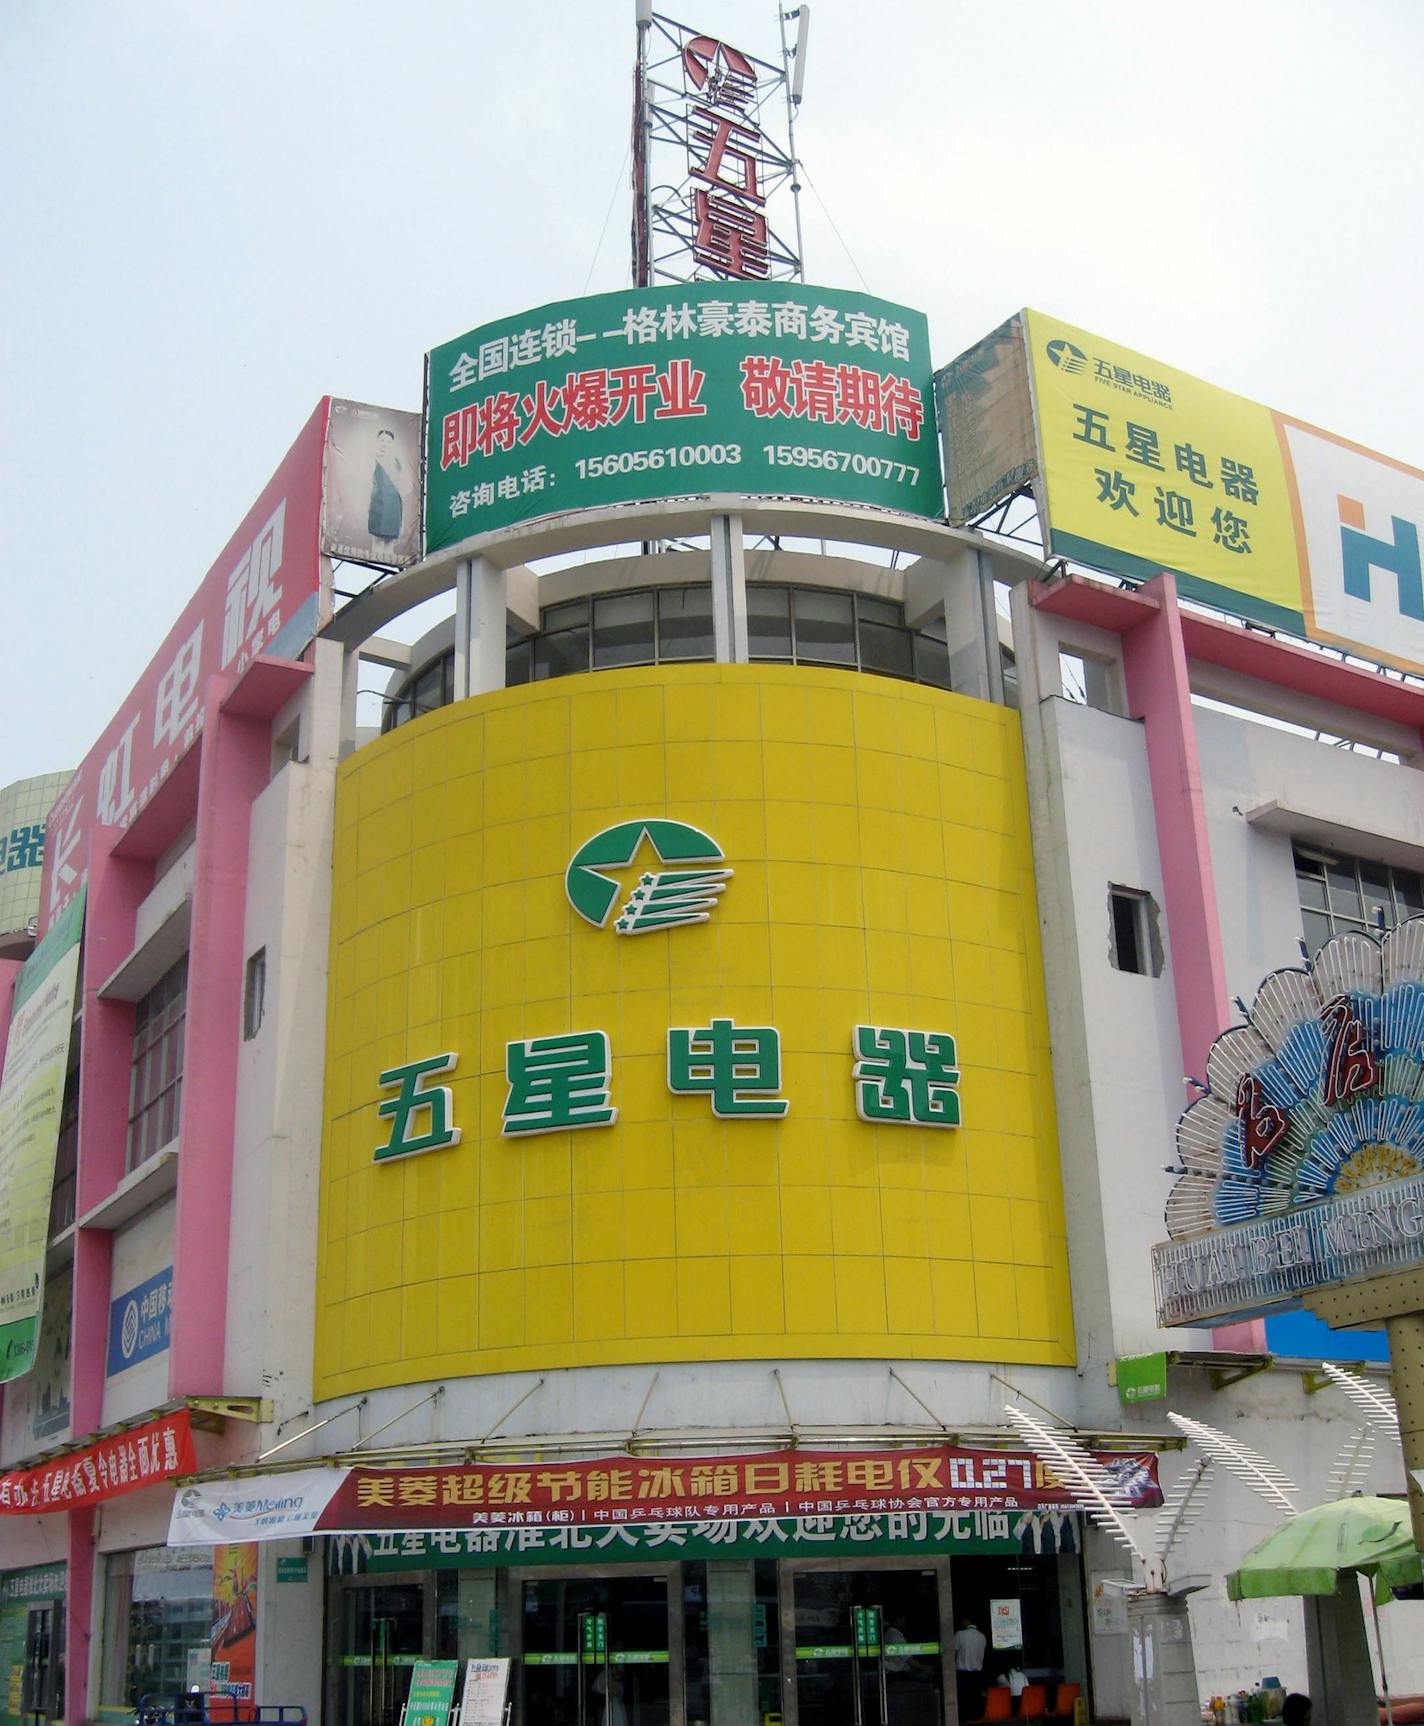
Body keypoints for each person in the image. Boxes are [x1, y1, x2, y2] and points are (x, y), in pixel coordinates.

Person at [367, 428, 408, 550]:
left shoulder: (397, 461)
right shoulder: (373, 459)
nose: (385, 444)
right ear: (377, 442)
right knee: (378, 541)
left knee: (390, 542)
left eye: (389, 442)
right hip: (378, 504)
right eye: (382, 440)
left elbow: (404, 484)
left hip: (394, 506)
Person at [955, 1615, 988, 1718]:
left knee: (964, 1708)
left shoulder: (959, 1634)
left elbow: (950, 1652)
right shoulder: (982, 1636)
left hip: (963, 1677)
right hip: (977, 1677)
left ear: (967, 1620)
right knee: (975, 1707)